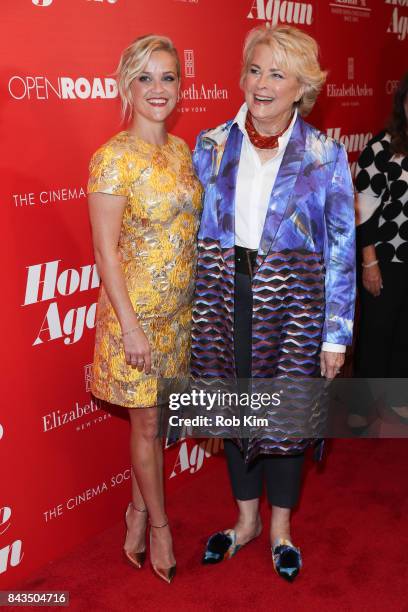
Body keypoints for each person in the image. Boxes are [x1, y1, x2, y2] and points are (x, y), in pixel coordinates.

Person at [191, 25, 355, 581]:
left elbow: (341, 249)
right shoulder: (209, 144)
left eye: (277, 74)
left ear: (301, 87)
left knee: (285, 415)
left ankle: (280, 528)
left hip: (296, 305)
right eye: (255, 70)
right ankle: (245, 522)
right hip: (222, 297)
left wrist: (336, 334)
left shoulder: (326, 154)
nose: (261, 83)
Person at [87, 34, 202, 583]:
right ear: (126, 86)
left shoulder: (181, 151)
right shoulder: (112, 158)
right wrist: (130, 326)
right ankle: (159, 525)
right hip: (134, 320)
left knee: (155, 428)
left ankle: (134, 510)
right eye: (146, 78)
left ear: (181, 85)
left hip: (179, 315)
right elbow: (104, 251)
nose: (159, 89)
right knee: (149, 421)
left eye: (169, 77)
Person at [354, 73, 408, 423]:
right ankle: (359, 406)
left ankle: (397, 397)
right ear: (402, 103)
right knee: (377, 331)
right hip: (385, 259)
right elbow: (363, 211)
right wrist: (369, 262)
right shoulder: (381, 149)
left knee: (405, 331)